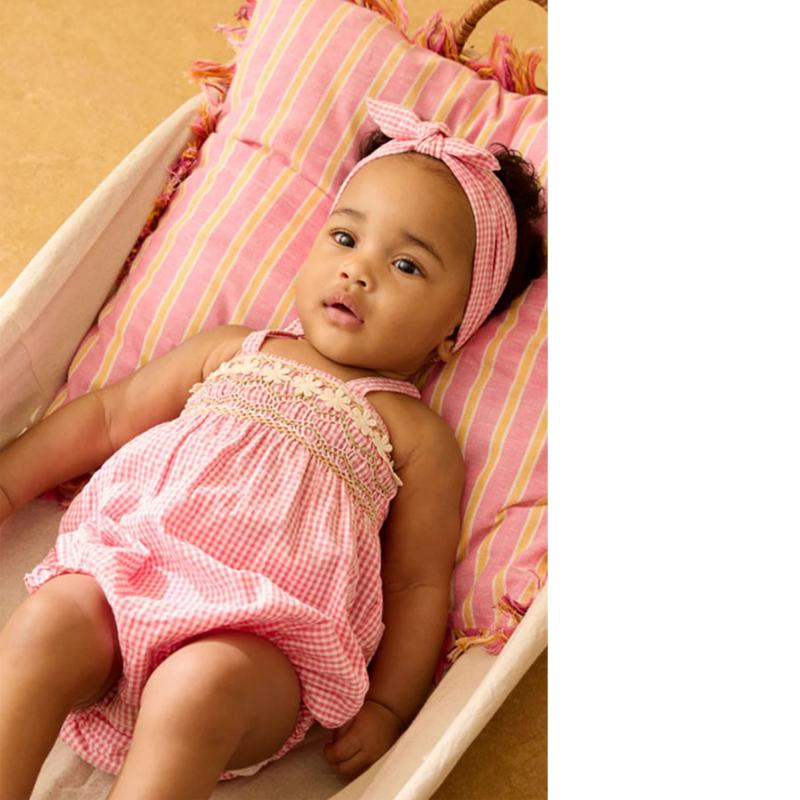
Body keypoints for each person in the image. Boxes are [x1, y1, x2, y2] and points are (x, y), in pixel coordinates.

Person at [0, 98, 545, 800]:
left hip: (260, 643)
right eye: (345, 238)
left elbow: (416, 584)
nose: (359, 272)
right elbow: (108, 417)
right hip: (129, 580)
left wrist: (389, 706)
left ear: (453, 329)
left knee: (197, 689)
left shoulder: (415, 434)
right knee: (44, 624)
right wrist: (11, 481)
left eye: (407, 266)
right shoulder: (234, 350)